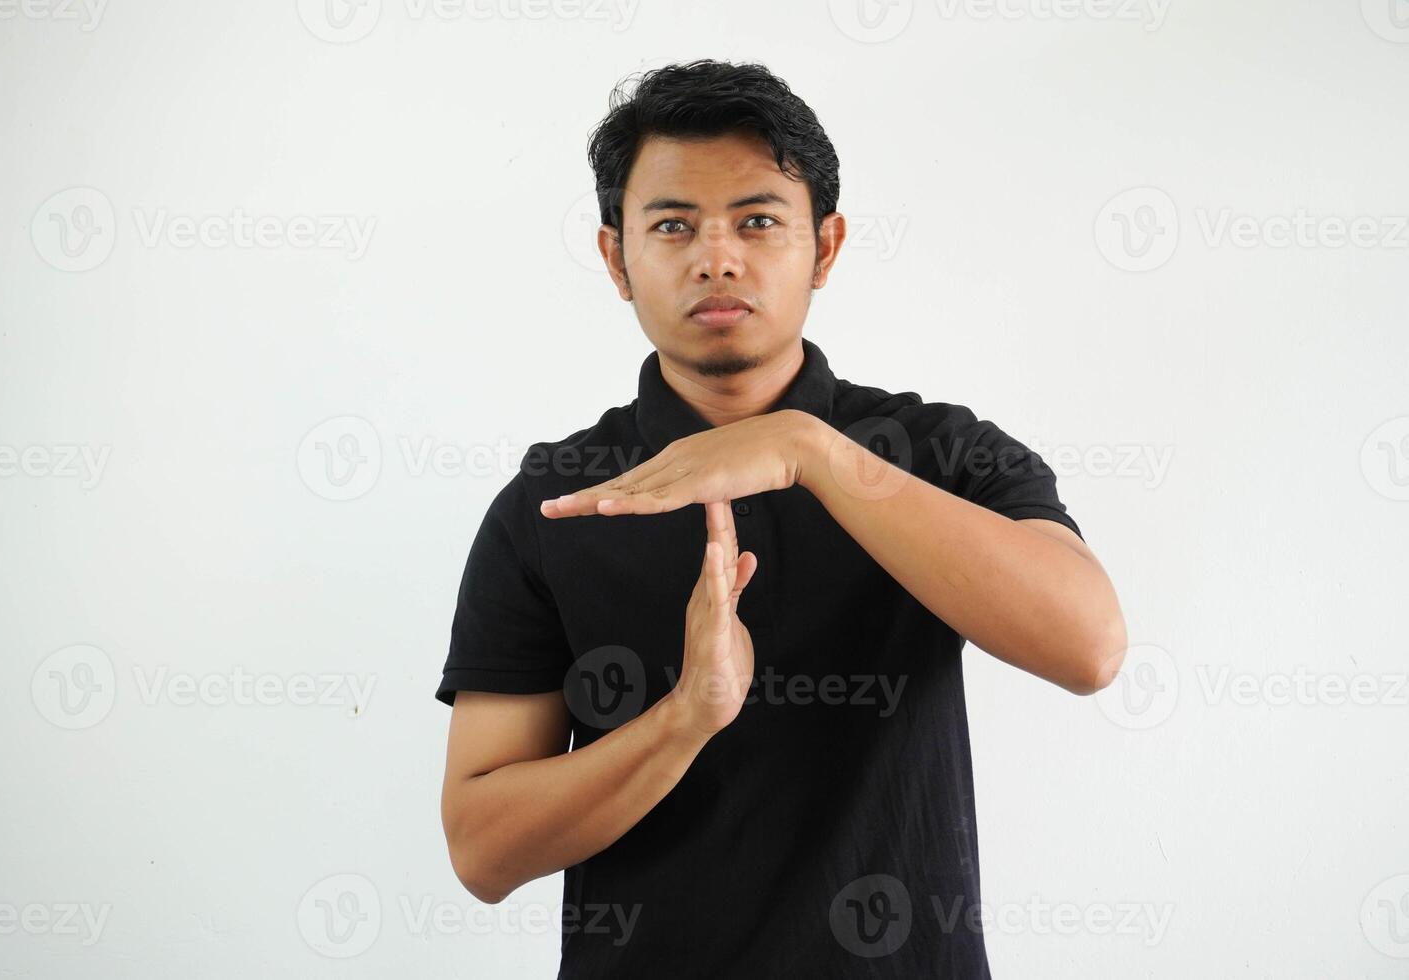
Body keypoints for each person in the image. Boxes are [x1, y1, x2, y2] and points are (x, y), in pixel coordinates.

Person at [437, 58, 1127, 979]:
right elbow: (482, 851)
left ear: (826, 248)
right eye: (672, 225)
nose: (716, 256)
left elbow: (1090, 647)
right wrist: (685, 718)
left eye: (758, 221)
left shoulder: (939, 452)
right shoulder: (557, 501)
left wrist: (812, 451)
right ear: (617, 260)